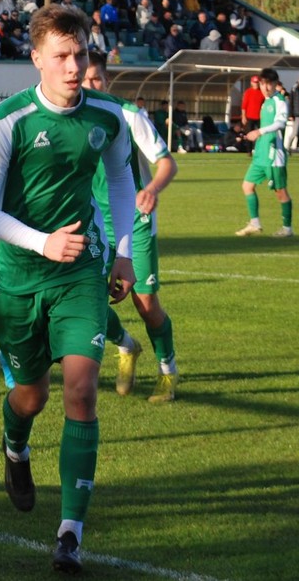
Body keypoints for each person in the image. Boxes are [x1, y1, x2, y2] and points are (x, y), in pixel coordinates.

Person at [0, 4, 136, 573]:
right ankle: (15, 445)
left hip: (79, 274)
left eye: (80, 54)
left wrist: (123, 252)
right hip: (16, 278)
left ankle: (70, 532)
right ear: (36, 58)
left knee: (81, 392)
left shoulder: (108, 116)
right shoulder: (8, 120)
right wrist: (41, 243)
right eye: (60, 56)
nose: (72, 66)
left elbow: (118, 178)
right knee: (31, 396)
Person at [83, 52, 180, 403]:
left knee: (146, 303)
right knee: (90, 301)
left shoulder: (128, 114)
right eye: (85, 79)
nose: (90, 85)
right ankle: (126, 345)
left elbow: (167, 163)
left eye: (96, 79)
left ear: (106, 81)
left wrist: (151, 189)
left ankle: (168, 371)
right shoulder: (72, 117)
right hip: (93, 222)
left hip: (134, 221)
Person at [235, 69, 294, 238]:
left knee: (280, 192)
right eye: (263, 83)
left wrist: (259, 132)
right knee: (247, 185)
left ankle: (287, 228)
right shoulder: (266, 102)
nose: (266, 87)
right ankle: (254, 223)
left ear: (276, 84)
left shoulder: (279, 101)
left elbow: (281, 123)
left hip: (273, 155)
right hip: (261, 153)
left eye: (269, 84)